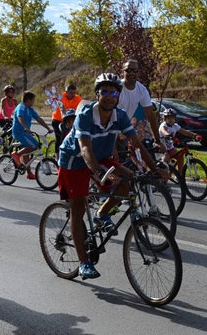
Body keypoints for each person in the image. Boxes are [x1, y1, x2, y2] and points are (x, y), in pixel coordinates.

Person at [57, 72, 168, 280]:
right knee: (78, 207)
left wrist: (154, 169)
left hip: (102, 156)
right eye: (104, 91)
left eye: (114, 92)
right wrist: (101, 174)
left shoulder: (121, 115)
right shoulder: (86, 115)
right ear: (98, 94)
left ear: (118, 95)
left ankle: (101, 213)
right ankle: (83, 263)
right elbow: (85, 151)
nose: (109, 96)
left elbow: (136, 144)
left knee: (128, 179)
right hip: (74, 160)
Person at [117, 59, 159, 145]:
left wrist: (158, 141)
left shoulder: (142, 90)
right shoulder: (117, 88)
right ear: (122, 72)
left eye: (135, 70)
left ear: (138, 73)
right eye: (128, 70)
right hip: (109, 130)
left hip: (124, 131)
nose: (132, 73)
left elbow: (150, 116)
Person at [12, 90, 51, 180]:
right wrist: (26, 127)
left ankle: (29, 174)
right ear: (28, 100)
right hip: (19, 132)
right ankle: (16, 154)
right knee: (35, 145)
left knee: (27, 154)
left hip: (25, 132)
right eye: (32, 100)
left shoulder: (31, 109)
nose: (33, 102)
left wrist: (48, 128)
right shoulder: (21, 107)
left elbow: (39, 119)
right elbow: (20, 117)